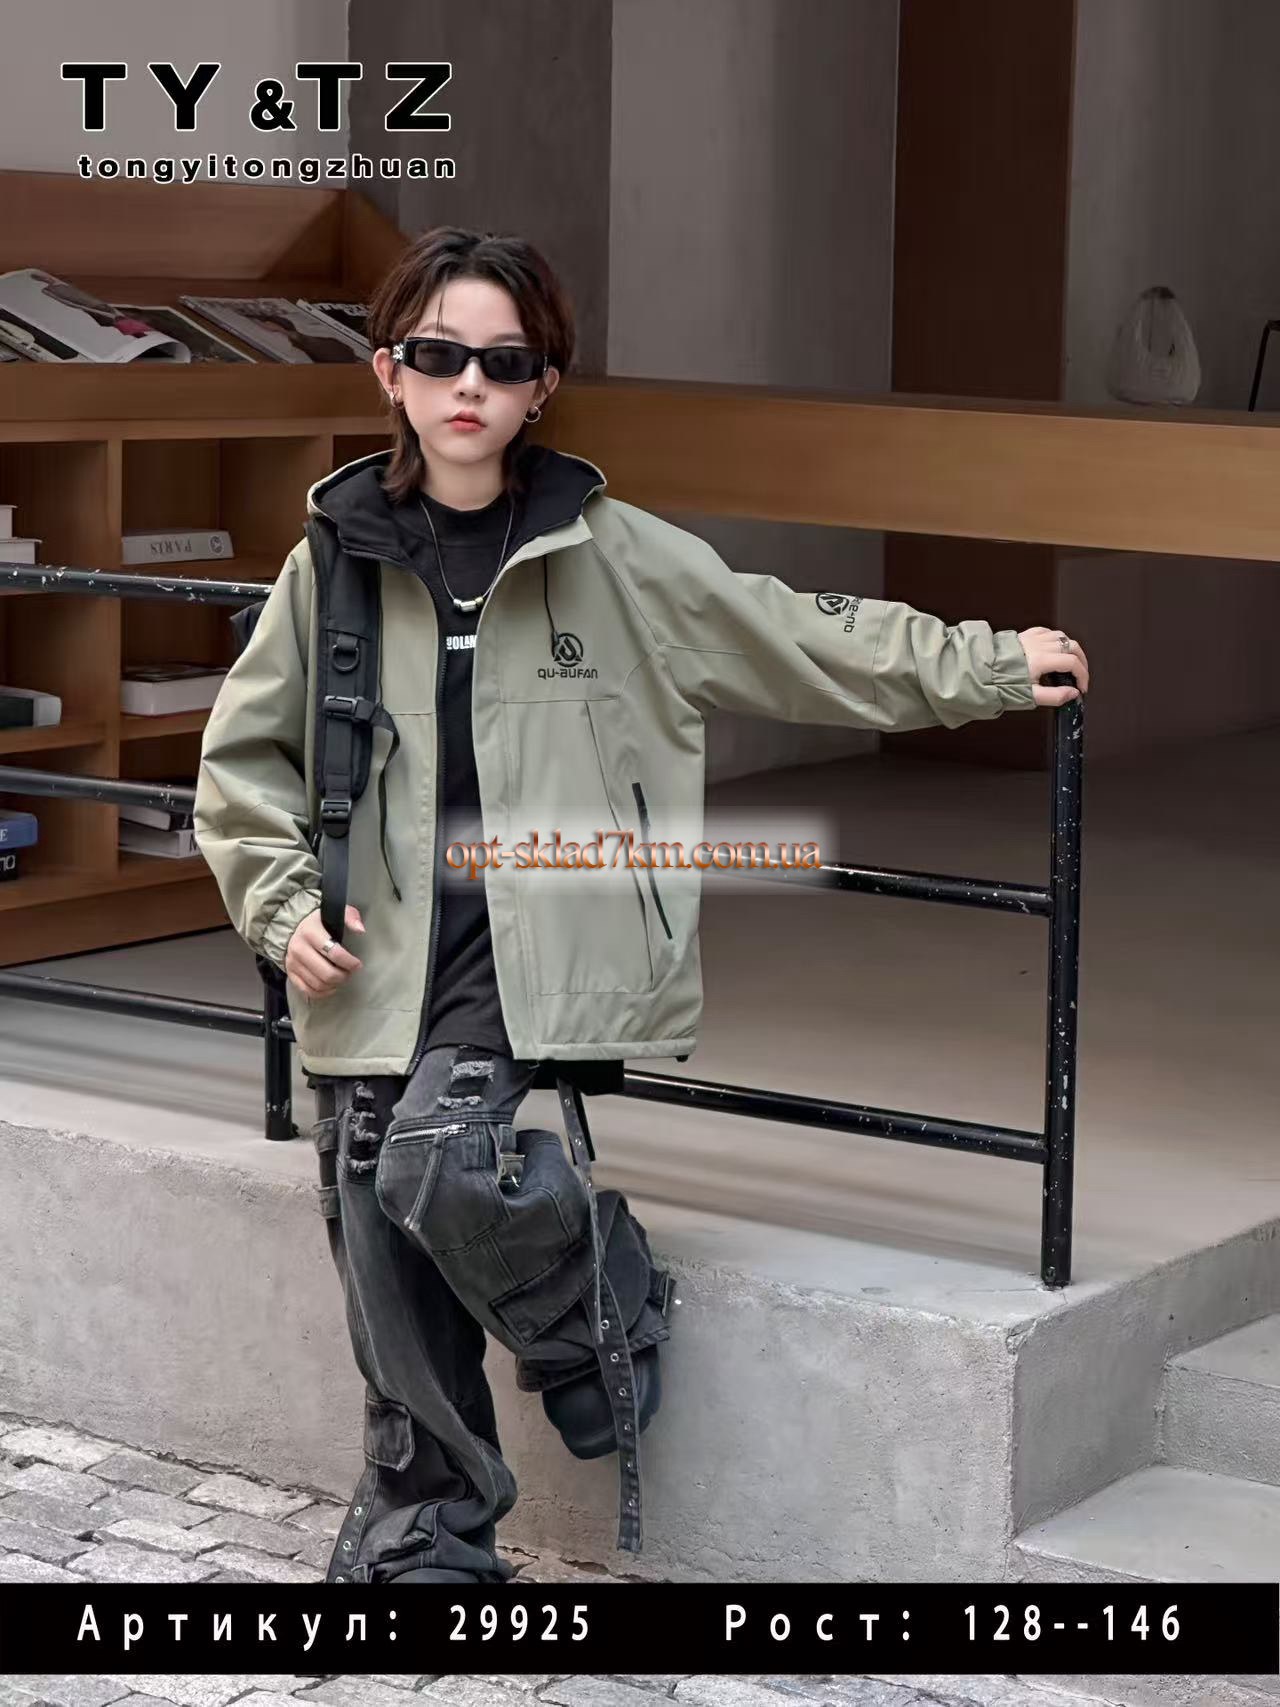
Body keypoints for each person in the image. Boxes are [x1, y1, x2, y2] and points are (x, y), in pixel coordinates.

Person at [193, 224, 1090, 1587]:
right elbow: (242, 760)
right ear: (389, 371)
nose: (470, 385)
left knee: (435, 1162)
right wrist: (278, 903)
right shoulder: (332, 562)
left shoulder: (610, 553)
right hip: (369, 947)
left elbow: (796, 635)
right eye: (440, 355)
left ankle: (591, 1302)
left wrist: (986, 665)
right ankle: (427, 1538)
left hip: (537, 937)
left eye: (505, 362)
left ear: (543, 386)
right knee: (372, 1220)